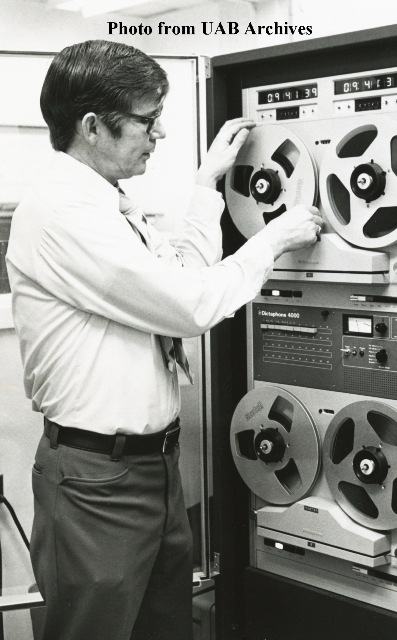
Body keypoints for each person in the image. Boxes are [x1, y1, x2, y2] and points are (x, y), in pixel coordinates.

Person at [6, 40, 322, 640]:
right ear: (94, 126)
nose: (159, 135)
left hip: (152, 468)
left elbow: (175, 276)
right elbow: (189, 303)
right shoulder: (61, 213)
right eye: (148, 122)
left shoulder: (109, 203)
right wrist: (271, 241)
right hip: (96, 481)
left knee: (164, 628)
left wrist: (207, 184)